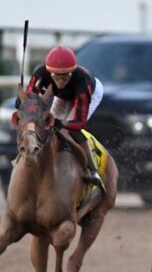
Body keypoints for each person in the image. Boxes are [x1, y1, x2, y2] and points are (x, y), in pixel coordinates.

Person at [25, 45, 104, 190]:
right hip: (63, 95)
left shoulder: (83, 82)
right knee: (44, 126)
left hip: (90, 93)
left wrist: (60, 123)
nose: (61, 81)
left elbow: (79, 122)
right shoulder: (40, 74)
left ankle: (92, 170)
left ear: (72, 73)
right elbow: (30, 97)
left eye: (65, 76)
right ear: (50, 73)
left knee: (71, 131)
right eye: (57, 77)